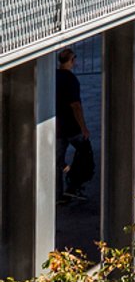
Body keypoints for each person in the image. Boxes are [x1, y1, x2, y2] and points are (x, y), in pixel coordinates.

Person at [55, 47, 92, 206]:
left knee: (57, 160)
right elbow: (75, 105)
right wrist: (83, 127)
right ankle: (74, 184)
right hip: (72, 126)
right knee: (85, 155)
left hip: (58, 127)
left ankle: (58, 195)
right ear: (71, 61)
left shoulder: (54, 77)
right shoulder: (71, 80)